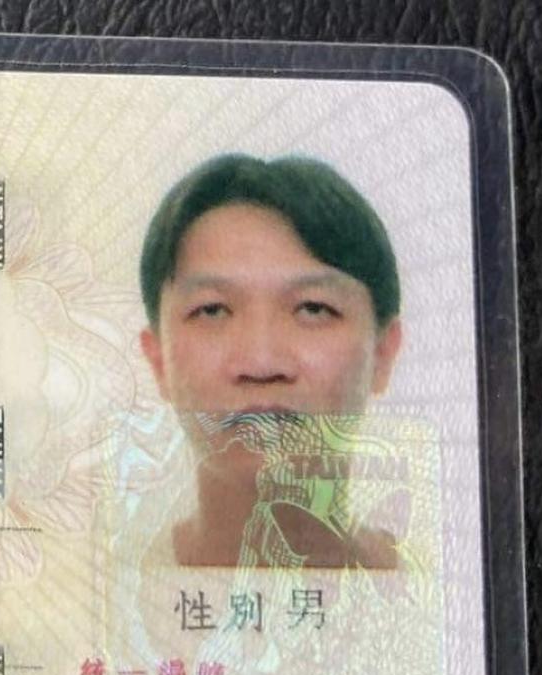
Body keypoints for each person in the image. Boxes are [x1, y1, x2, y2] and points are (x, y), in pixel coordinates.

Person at [137, 154, 404, 568]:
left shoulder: (444, 584)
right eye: (212, 310)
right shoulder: (108, 589)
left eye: (313, 309)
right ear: (159, 361)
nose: (261, 364)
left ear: (382, 354)